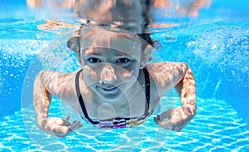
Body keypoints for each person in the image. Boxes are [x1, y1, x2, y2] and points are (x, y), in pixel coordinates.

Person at [33, 26, 197, 137]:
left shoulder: (153, 82)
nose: (108, 78)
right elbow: (41, 79)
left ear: (145, 57)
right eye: (94, 60)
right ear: (79, 58)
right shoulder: (74, 90)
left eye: (123, 60)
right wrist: (42, 120)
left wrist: (188, 109)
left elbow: (183, 70)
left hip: (147, 107)